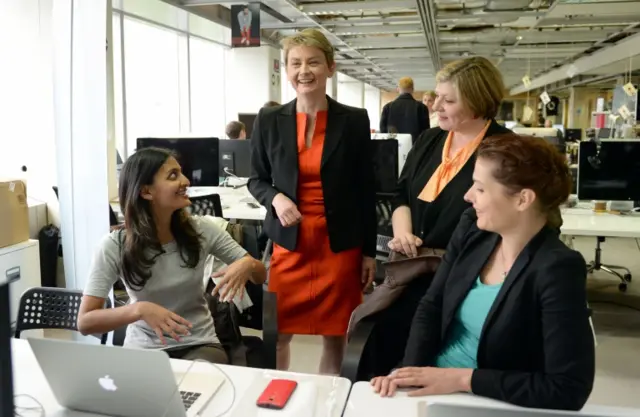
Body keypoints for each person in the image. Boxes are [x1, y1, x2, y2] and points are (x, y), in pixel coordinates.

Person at [372, 133, 595, 411]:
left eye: (479, 189)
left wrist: (463, 380)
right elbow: (432, 305)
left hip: (490, 399)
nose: (468, 196)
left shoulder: (557, 269)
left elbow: (568, 388)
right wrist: (410, 373)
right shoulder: (472, 230)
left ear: (522, 199)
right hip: (437, 386)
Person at [362, 56, 511, 378]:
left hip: (464, 272)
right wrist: (403, 232)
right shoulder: (430, 140)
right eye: (437, 97)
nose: (436, 107)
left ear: (477, 101)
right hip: (412, 266)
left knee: (425, 353)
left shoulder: (504, 148)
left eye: (449, 100)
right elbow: (401, 194)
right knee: (379, 347)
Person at [248, 28, 377, 374]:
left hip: (339, 244)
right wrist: (275, 198)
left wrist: (368, 252)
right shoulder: (270, 120)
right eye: (295, 63)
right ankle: (277, 399)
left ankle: (327, 402)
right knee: (278, 335)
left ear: (330, 68)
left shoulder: (353, 120)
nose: (304, 71)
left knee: (336, 334)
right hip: (289, 244)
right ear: (286, 70)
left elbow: (366, 189)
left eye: (313, 62)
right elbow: (255, 179)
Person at [78, 147, 267, 363]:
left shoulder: (202, 230)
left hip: (199, 343)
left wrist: (248, 264)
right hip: (143, 349)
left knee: (195, 382)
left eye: (181, 172)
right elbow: (85, 322)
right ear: (146, 192)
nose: (186, 181)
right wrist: (139, 310)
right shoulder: (115, 245)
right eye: (173, 175)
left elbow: (260, 275)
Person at [380, 77, 429, 143]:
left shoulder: (388, 107)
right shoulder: (422, 108)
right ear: (412, 89)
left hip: (394, 148)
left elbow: (383, 132)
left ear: (398, 89)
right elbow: (426, 133)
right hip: (415, 148)